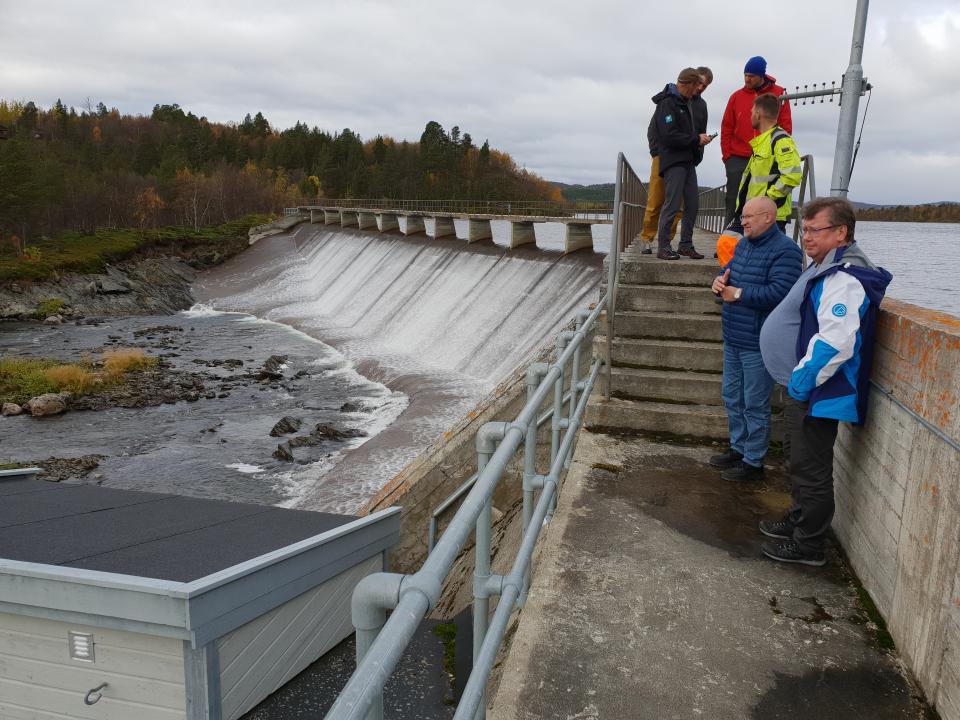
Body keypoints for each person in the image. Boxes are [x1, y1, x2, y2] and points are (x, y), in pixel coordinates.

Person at [757, 197, 892, 566]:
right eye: (806, 230)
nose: (807, 238)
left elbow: (835, 341)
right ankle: (800, 520)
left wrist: (802, 382)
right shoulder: (827, 268)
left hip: (819, 392)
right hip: (809, 389)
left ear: (841, 232)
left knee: (812, 469)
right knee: (800, 462)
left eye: (815, 230)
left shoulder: (845, 277)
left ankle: (808, 546)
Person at [709, 196, 802, 481]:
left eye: (750, 217)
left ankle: (753, 462)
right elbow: (729, 274)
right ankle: (738, 448)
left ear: (769, 218)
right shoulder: (743, 245)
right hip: (733, 336)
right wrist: (718, 283)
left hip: (759, 342)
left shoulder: (787, 251)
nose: (744, 221)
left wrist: (736, 294)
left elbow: (781, 294)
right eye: (744, 217)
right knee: (732, 396)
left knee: (755, 403)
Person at [640, 67, 712, 255]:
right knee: (664, 202)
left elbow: (695, 131)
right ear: (688, 84)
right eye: (697, 85)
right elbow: (667, 134)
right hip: (670, 159)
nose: (699, 89)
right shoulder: (668, 103)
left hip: (688, 159)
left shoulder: (692, 103)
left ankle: (684, 244)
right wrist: (657, 152)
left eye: (704, 86)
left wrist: (698, 151)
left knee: (691, 204)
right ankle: (657, 243)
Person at [721, 56, 792, 226]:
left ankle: (758, 238)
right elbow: (726, 127)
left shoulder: (779, 94)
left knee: (762, 200)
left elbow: (786, 127)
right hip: (738, 157)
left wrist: (776, 152)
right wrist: (727, 157)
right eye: (745, 75)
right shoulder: (736, 97)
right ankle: (729, 238)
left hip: (767, 157)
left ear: (762, 76)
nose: (747, 79)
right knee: (733, 199)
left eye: (751, 76)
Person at [731, 94, 802, 231]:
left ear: (758, 115)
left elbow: (792, 177)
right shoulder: (764, 141)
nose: (750, 116)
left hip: (768, 219)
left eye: (751, 112)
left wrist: (766, 201)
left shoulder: (780, 140)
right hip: (753, 216)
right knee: (726, 248)